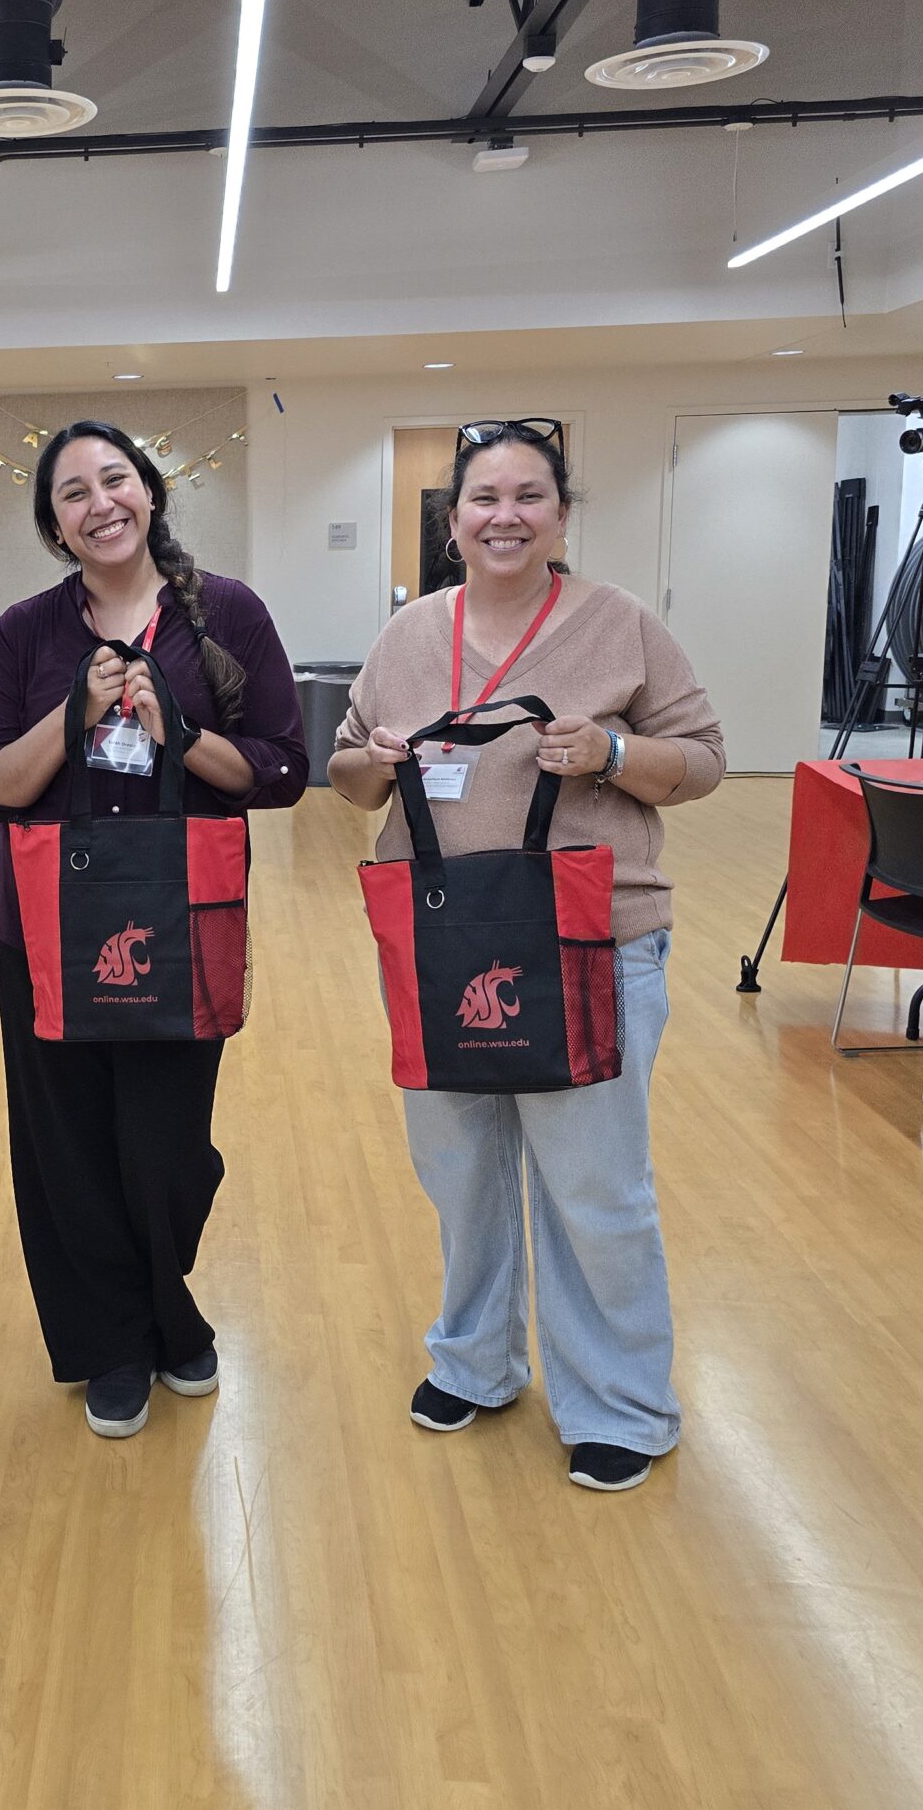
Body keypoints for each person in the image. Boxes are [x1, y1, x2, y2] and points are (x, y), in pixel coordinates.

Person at [328, 420, 724, 1493]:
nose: (504, 515)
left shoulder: (620, 626)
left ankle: (622, 1405)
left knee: (593, 1183)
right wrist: (368, 761)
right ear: (452, 520)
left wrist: (612, 753)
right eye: (483, 498)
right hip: (441, 936)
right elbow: (349, 778)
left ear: (558, 512)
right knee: (458, 1169)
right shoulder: (409, 633)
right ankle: (476, 1360)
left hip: (590, 939)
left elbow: (702, 761)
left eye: (528, 496)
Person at [0, 420, 307, 1439]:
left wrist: (182, 736)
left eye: (114, 480)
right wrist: (73, 711)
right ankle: (117, 1340)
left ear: (150, 493)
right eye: (72, 493)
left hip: (175, 915)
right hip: (41, 921)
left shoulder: (226, 614)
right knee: (65, 1141)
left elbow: (284, 771)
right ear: (54, 526)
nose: (98, 503)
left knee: (165, 1145)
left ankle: (167, 1302)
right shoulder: (26, 631)